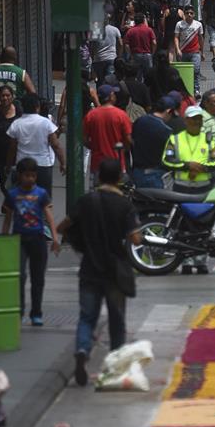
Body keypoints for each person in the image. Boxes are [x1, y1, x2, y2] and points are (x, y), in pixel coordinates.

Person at [57, 158, 141, 387]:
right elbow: (135, 237)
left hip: (90, 268)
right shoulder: (124, 205)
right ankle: (115, 365)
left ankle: (82, 350)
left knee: (87, 317)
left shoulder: (86, 201)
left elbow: (63, 226)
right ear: (119, 179)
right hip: (115, 270)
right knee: (116, 320)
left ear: (99, 177)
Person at [2, 156, 59, 326]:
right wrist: (4, 239)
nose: (30, 179)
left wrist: (55, 238)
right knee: (20, 275)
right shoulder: (12, 195)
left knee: (38, 278)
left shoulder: (41, 194)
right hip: (18, 239)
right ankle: (19, 311)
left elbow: (48, 217)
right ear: (19, 175)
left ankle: (36, 312)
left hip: (38, 239)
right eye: (26, 175)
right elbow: (8, 219)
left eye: (33, 176)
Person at [7, 92, 65, 196]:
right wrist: (63, 163)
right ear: (37, 107)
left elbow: (12, 147)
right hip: (43, 166)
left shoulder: (16, 124)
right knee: (44, 200)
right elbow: (56, 145)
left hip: (22, 165)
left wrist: (9, 164)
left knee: (19, 197)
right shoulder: (46, 123)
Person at [163, 104, 215, 202]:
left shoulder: (209, 140)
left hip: (203, 189)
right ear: (185, 120)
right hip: (181, 189)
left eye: (199, 119)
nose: (197, 122)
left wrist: (201, 168)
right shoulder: (175, 139)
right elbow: (167, 160)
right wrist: (187, 166)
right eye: (193, 119)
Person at [82, 84, 132, 178]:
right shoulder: (121, 115)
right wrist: (124, 148)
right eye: (113, 94)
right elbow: (128, 140)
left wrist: (95, 146)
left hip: (97, 163)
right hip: (116, 163)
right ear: (110, 97)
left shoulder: (91, 115)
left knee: (98, 190)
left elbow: (84, 139)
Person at [130, 97, 174, 189]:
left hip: (137, 172)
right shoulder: (166, 130)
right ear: (169, 111)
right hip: (157, 175)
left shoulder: (140, 121)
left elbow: (132, 140)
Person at [0, 85, 22, 194]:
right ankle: (10, 203)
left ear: (12, 97)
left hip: (18, 153)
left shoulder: (19, 111)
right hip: (0, 154)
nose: (5, 98)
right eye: (2, 96)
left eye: (8, 95)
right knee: (4, 183)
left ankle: (14, 205)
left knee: (18, 181)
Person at [174, 5, 204, 99]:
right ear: (184, 14)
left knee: (196, 71)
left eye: (191, 13)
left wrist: (201, 52)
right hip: (183, 51)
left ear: (194, 14)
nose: (189, 15)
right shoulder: (179, 24)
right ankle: (184, 90)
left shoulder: (198, 24)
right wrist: (178, 49)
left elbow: (201, 38)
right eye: (187, 13)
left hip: (195, 52)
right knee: (182, 72)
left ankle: (196, 90)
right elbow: (176, 37)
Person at [123, 12, 156, 79]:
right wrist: (152, 53)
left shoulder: (130, 31)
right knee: (149, 76)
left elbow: (126, 45)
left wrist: (130, 54)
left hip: (135, 55)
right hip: (147, 55)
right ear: (143, 20)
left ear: (135, 21)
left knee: (137, 76)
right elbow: (154, 43)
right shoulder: (149, 30)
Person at [90, 15, 122, 83]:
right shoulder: (115, 29)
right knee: (109, 81)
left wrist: (92, 58)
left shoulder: (96, 30)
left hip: (99, 59)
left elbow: (92, 46)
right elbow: (120, 44)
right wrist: (119, 56)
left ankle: (100, 93)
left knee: (99, 81)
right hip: (111, 58)